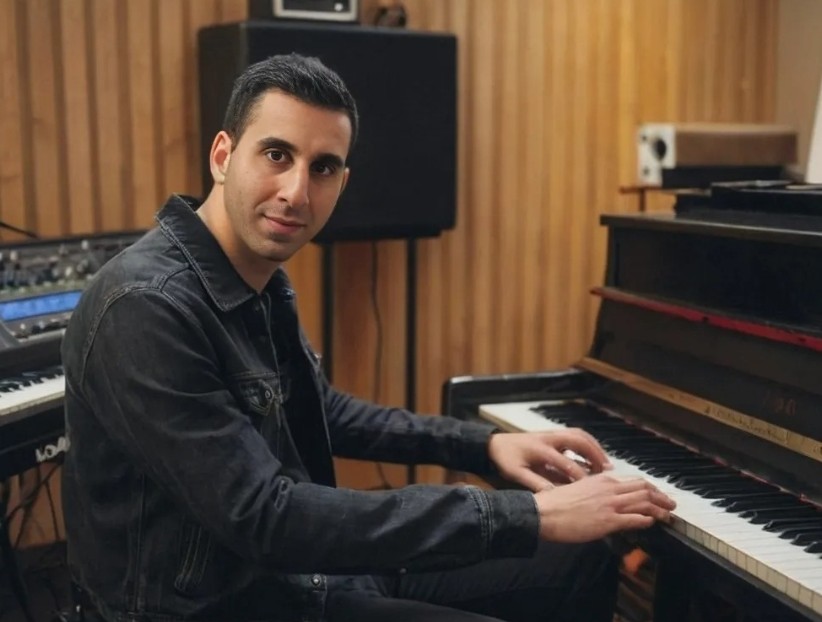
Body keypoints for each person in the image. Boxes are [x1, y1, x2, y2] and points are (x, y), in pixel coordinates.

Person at [60, 53, 675, 622]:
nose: (296, 192)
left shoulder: (256, 277)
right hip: (218, 605)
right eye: (276, 155)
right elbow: (264, 516)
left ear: (342, 181)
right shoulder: (145, 306)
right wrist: (526, 512)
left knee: (578, 561)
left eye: (322, 168)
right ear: (223, 156)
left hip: (296, 576)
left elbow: (323, 409)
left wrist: (483, 446)